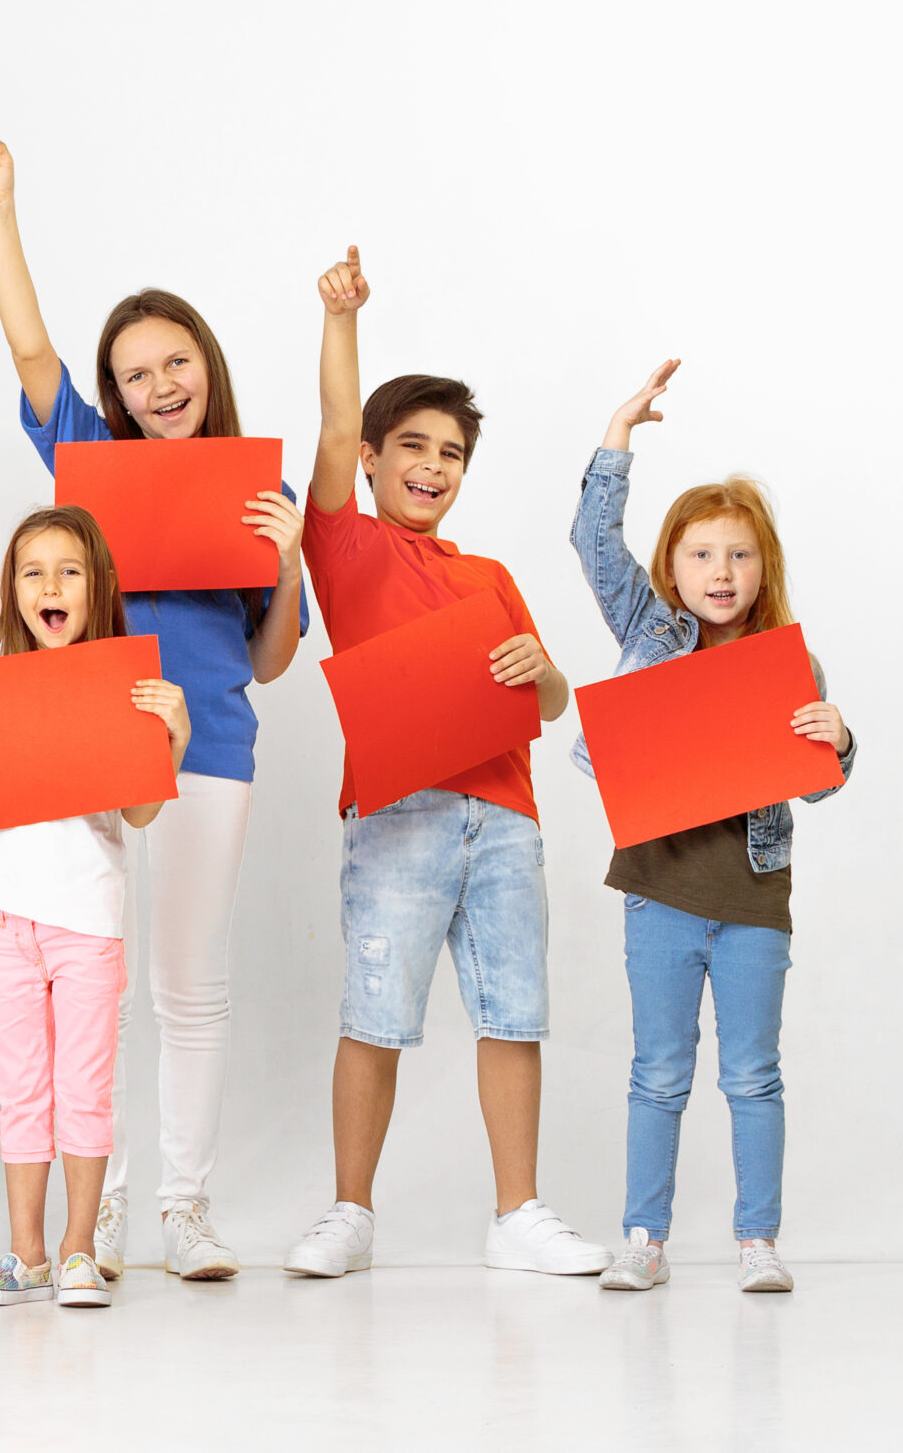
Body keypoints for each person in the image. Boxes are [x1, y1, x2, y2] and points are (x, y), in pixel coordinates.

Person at [0, 136, 309, 1280]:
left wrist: (290, 556)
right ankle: (86, 1218)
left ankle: (184, 1208)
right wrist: (2, 214)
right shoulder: (92, 455)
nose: (158, 387)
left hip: (206, 741)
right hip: (85, 742)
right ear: (114, 392)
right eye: (136, 372)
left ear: (204, 367)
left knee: (188, 984)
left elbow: (267, 659)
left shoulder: (256, 486)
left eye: (175, 365)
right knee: (85, 992)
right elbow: (26, 346)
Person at [284, 246, 611, 1280]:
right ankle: (349, 1212)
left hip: (504, 817)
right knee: (373, 1016)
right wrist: (340, 320)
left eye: (452, 454)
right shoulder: (347, 548)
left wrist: (545, 670)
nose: (431, 467)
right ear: (374, 461)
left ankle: (517, 1211)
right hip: (396, 814)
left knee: (513, 1015)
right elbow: (333, 426)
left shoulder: (489, 574)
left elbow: (549, 701)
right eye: (411, 448)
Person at [572, 361, 857, 1295]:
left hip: (752, 901)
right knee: (658, 1071)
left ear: (762, 565)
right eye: (701, 555)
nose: (720, 572)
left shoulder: (790, 660)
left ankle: (756, 1241)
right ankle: (643, 1237)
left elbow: (817, 783)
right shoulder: (653, 630)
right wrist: (617, 436)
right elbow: (593, 542)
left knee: (752, 1075)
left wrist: (840, 738)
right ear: (673, 568)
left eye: (738, 555)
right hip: (659, 894)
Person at [0, 397, 190, 1310]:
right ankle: (25, 1252)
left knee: (84, 1085)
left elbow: (145, 812)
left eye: (68, 569)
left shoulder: (122, 680)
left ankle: (79, 1248)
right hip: (5, 915)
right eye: (33, 570)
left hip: (86, 917)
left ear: (95, 585)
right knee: (22, 1085)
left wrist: (175, 736)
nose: (50, 584)